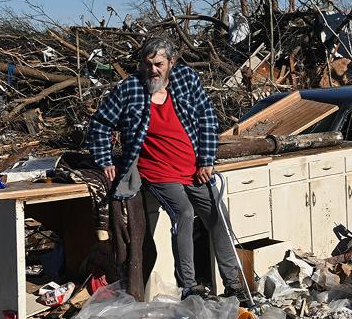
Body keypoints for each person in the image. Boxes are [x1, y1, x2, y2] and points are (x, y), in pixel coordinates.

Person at [87, 36, 248, 301]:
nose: (153, 70)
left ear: (171, 63)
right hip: (157, 170)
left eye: (159, 64)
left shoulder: (187, 81)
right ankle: (189, 285)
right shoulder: (130, 89)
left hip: (192, 166)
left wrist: (206, 160)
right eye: (147, 64)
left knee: (218, 217)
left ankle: (233, 283)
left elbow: (207, 118)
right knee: (183, 212)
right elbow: (100, 124)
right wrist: (104, 159)